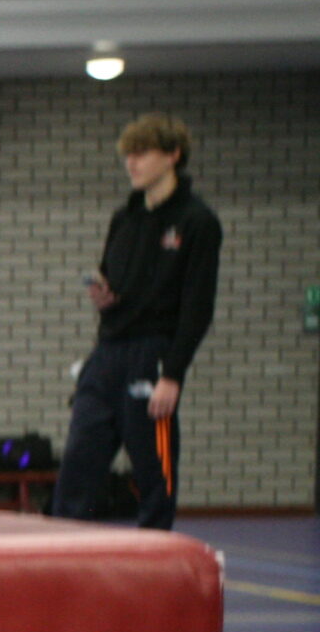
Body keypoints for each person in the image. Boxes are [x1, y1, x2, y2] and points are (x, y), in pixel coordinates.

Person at [51, 113, 223, 532]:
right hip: (108, 352)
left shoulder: (198, 222)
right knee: (78, 461)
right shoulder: (124, 219)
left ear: (173, 155)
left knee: (153, 468)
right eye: (128, 154)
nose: (132, 162)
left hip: (153, 355)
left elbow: (198, 307)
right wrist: (105, 298)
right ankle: (62, 548)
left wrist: (173, 374)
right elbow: (116, 283)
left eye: (142, 153)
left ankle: (155, 546)